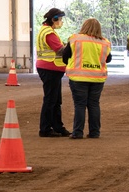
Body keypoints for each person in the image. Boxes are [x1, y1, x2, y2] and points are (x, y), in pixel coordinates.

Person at [62, 17, 112, 139]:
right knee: (94, 104)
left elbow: (65, 56)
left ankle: (78, 132)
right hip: (97, 78)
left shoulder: (75, 39)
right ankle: (95, 132)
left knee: (80, 105)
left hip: (78, 78)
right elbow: (108, 59)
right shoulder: (104, 42)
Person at [35, 7, 71, 138]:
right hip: (50, 68)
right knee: (51, 100)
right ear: (53, 19)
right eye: (60, 19)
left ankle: (57, 127)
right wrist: (71, 44)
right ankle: (45, 128)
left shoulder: (46, 31)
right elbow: (60, 50)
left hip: (50, 68)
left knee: (55, 100)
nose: (61, 21)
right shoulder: (49, 33)